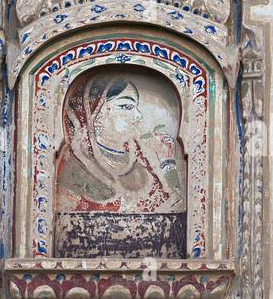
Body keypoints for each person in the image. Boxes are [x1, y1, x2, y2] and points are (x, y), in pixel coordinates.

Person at [56, 72, 184, 215]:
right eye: (126, 106)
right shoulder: (76, 165)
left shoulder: (143, 157)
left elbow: (175, 207)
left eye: (136, 107)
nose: (138, 116)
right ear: (95, 114)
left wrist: (166, 161)